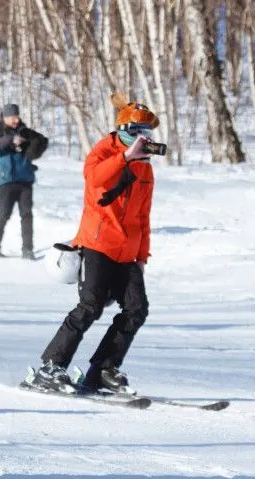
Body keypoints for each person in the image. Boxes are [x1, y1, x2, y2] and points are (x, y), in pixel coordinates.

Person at [23, 92, 157, 394]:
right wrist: (124, 157)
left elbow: (144, 216)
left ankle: (104, 370)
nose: (144, 140)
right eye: (138, 133)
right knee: (90, 307)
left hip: (128, 253)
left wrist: (142, 257)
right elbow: (95, 178)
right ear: (124, 131)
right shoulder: (103, 153)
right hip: (97, 245)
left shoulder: (146, 167)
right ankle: (51, 367)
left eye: (148, 133)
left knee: (137, 310)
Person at [0, 104, 47, 260]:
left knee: (27, 215)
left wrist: (33, 151)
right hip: (5, 179)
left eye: (17, 116)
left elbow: (43, 140)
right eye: (13, 117)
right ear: (5, 117)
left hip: (25, 178)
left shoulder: (24, 131)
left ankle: (28, 250)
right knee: (4, 213)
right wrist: (10, 139)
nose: (16, 119)